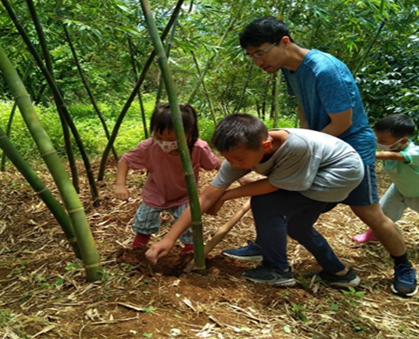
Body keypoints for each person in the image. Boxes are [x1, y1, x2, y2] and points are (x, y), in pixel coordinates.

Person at [228, 16, 417, 297]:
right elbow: (305, 111)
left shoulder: (324, 70)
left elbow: (342, 121)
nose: (257, 61)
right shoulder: (289, 70)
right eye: (251, 56)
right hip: (321, 146)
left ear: (285, 42)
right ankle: (293, 256)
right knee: (291, 212)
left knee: (369, 213)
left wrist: (307, 152)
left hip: (350, 151)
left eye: (260, 53)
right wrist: (302, 143)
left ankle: (404, 267)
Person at [146, 114, 365, 287]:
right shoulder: (241, 153)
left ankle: (277, 268)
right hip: (313, 173)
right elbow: (206, 196)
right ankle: (339, 273)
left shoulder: (295, 148)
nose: (233, 164)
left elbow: (273, 186)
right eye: (229, 158)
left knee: (267, 203)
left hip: (338, 174)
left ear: (266, 146)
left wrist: (226, 195)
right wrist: (169, 239)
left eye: (239, 159)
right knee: (298, 226)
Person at [115, 103, 221, 253]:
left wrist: (238, 177)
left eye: (171, 138)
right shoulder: (149, 147)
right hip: (155, 192)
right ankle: (137, 251)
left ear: (188, 132)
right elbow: (125, 160)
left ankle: (190, 252)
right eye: (159, 136)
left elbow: (216, 163)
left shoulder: (198, 148)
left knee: (188, 226)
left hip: (185, 195)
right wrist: (120, 185)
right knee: (144, 222)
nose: (164, 143)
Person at [354, 114, 419, 243]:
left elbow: (393, 156)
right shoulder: (392, 148)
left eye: (382, 141)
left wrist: (365, 153)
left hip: (417, 193)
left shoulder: (414, 152)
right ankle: (374, 234)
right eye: (376, 139)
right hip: (399, 189)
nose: (378, 143)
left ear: (403, 141)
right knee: (382, 212)